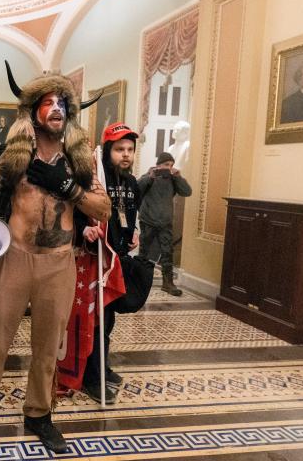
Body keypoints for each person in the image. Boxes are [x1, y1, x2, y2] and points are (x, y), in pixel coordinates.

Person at [0, 63, 111, 453]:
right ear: (33, 112)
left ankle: (39, 414)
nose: (57, 108)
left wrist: (69, 189)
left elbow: (103, 209)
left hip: (60, 263)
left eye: (62, 103)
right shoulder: (14, 159)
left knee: (48, 347)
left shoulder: (79, 164)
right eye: (48, 102)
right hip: (16, 258)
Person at [79, 122, 153, 405]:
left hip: (119, 258)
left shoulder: (132, 183)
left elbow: (130, 214)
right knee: (97, 319)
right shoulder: (96, 179)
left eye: (130, 150)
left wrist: (133, 232)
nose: (125, 155)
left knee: (108, 320)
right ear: (108, 149)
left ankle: (102, 365)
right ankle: (91, 375)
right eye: (120, 149)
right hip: (96, 258)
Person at [137, 152, 192, 296]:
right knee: (144, 253)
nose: (169, 167)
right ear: (159, 165)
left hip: (165, 223)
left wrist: (178, 176)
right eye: (166, 164)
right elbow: (137, 189)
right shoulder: (148, 176)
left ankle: (168, 283)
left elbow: (187, 192)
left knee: (167, 253)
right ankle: (138, 281)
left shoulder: (173, 179)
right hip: (148, 220)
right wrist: (150, 177)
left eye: (171, 165)